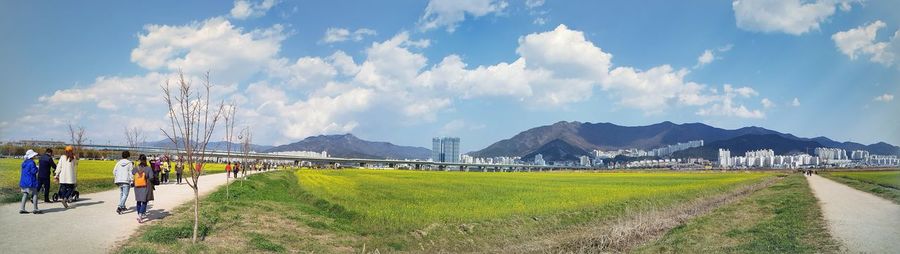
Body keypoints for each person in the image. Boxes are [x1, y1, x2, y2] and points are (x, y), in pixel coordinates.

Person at [132, 154, 155, 223]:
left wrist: (135, 167)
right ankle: (140, 215)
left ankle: (139, 213)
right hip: (145, 186)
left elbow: (132, 172)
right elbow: (151, 177)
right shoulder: (148, 168)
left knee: (138, 201)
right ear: (145, 160)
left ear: (139, 160)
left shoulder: (136, 168)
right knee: (144, 201)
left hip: (137, 186)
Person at [19, 150, 41, 214]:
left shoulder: (24, 162)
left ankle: (22, 208)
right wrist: (37, 167)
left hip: (24, 181)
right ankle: (35, 209)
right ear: (32, 156)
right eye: (34, 155)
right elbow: (34, 171)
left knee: (25, 194)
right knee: (35, 193)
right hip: (30, 181)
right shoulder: (32, 162)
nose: (35, 156)